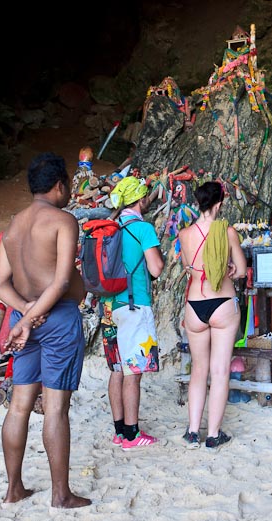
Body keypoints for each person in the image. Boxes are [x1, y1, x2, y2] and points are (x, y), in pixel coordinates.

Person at [0, 152, 90, 508]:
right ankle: (61, 494)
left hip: (29, 324)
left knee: (18, 407)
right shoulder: (63, 220)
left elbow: (1, 283)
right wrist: (31, 317)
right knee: (55, 409)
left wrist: (24, 314)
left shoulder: (14, 225)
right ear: (59, 185)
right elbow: (63, 280)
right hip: (57, 320)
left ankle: (13, 488)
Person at [178, 181, 247, 449]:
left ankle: (193, 432)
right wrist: (228, 266)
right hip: (222, 304)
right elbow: (240, 270)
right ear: (219, 204)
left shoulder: (184, 235)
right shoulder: (227, 231)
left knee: (198, 370)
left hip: (195, 305)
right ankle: (213, 434)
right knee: (219, 372)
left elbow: (189, 267)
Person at [101, 176, 164, 450]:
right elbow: (156, 269)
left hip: (108, 308)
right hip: (134, 305)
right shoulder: (143, 228)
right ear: (140, 200)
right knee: (133, 371)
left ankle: (118, 431)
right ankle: (131, 434)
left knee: (116, 368)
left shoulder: (110, 229)